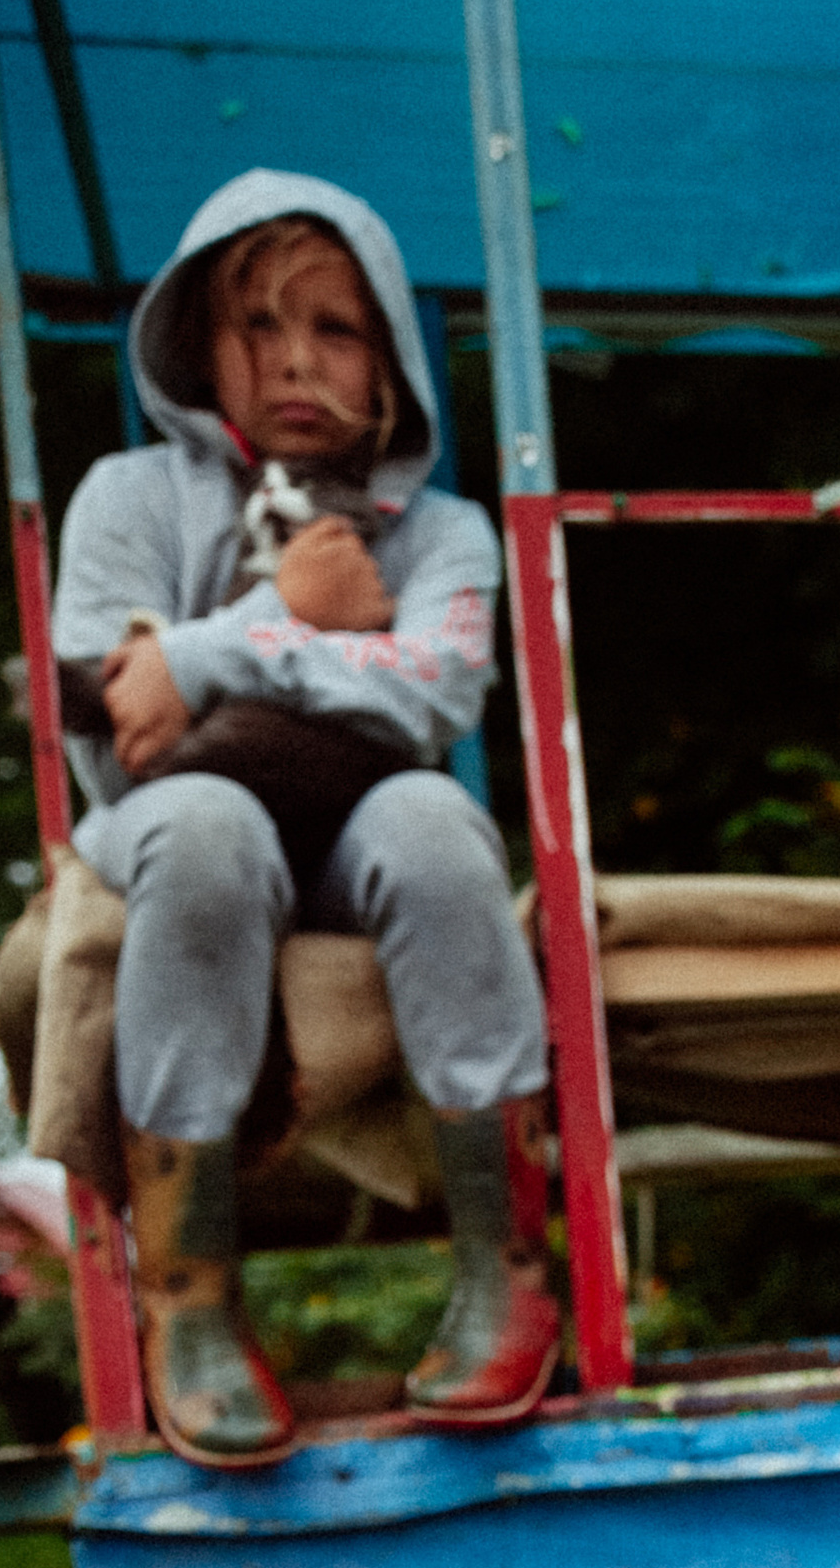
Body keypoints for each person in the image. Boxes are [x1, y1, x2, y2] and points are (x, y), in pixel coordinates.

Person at [55, 170, 557, 1466]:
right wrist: (292, 617)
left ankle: (506, 1259)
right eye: (258, 328)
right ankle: (192, 1297)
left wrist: (205, 657)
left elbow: (431, 688)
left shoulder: (439, 533)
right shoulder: (126, 498)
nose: (295, 362)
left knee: (434, 816)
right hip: (173, 837)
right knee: (207, 818)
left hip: (350, 837)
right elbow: (100, 712)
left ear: (387, 354)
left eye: (333, 329)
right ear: (194, 347)